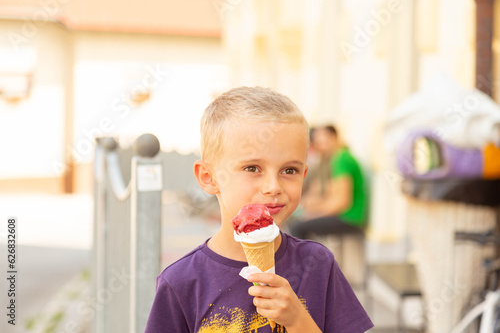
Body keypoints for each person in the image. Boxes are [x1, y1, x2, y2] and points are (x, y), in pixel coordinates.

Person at [144, 87, 373, 332]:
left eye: (289, 171)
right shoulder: (181, 282)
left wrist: (299, 321)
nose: (273, 187)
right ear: (209, 177)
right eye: (252, 168)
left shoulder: (317, 265)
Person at [290, 125, 367, 239]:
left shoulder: (341, 159)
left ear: (334, 138)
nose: (320, 146)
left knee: (297, 227)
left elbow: (341, 202)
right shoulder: (336, 159)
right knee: (297, 221)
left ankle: (301, 257)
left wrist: (315, 214)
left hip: (350, 217)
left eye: (324, 141)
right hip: (346, 215)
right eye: (317, 142)